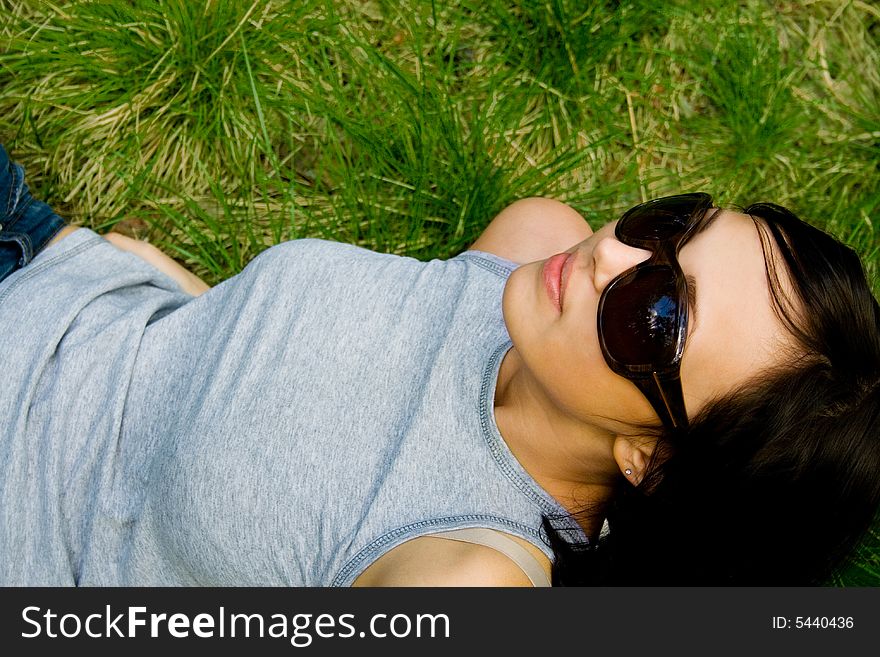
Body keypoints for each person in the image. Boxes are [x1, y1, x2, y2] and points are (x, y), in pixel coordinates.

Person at [1, 142, 878, 586]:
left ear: (654, 461)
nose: (612, 255)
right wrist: (185, 298)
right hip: (42, 255)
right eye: (672, 227)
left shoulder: (471, 569)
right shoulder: (529, 251)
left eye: (656, 315)